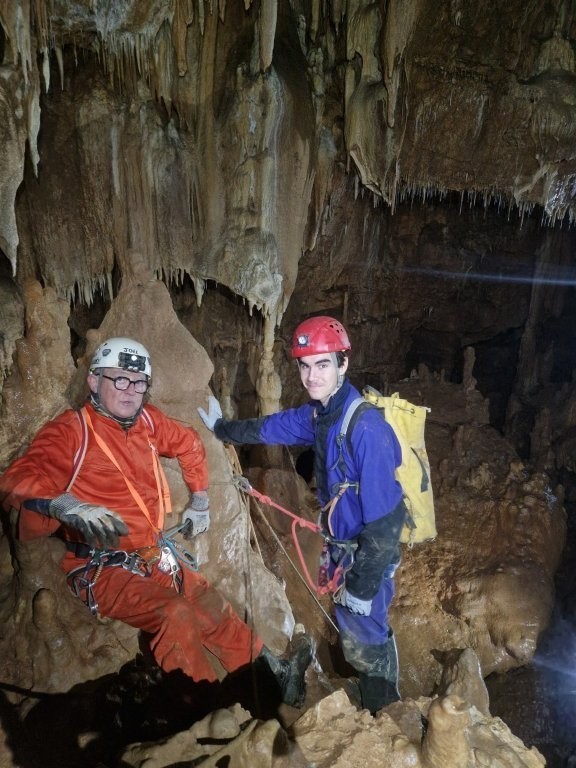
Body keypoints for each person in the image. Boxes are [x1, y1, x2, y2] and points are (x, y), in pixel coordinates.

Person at [0, 336, 312, 708]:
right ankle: (206, 709)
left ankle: (276, 679)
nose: (130, 391)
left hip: (152, 554)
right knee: (175, 614)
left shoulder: (147, 421)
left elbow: (189, 443)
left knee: (211, 604)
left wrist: (200, 501)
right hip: (103, 567)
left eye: (139, 382)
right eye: (120, 379)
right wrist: (64, 504)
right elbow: (17, 479)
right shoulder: (72, 432)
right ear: (94, 381)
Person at [198, 316, 407, 714]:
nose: (312, 376)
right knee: (352, 627)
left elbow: (386, 524)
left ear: (343, 363)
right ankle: (373, 694)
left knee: (364, 635)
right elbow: (272, 428)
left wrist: (363, 586)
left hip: (367, 553)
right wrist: (223, 429)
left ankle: (387, 711)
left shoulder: (366, 429)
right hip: (342, 545)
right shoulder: (321, 416)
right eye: (305, 365)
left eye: (322, 364)